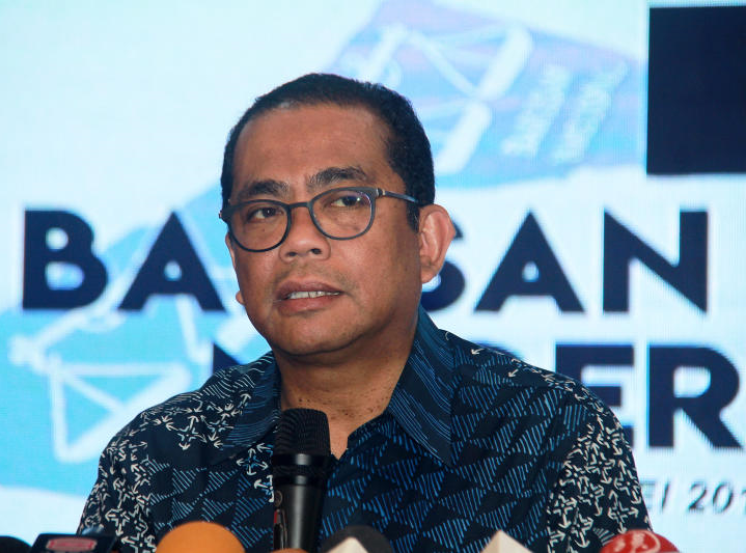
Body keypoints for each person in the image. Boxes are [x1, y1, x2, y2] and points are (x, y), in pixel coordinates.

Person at [79, 73, 649, 553]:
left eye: (345, 202)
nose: (299, 241)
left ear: (427, 241)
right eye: (264, 212)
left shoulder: (552, 432)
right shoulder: (160, 456)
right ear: (235, 261)